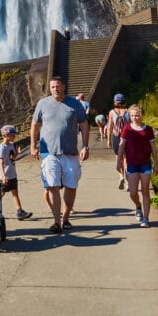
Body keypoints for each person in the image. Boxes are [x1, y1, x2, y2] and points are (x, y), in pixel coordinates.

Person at [31, 76, 90, 233]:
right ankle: (56, 221)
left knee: (71, 185)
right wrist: (33, 146)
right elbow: (35, 125)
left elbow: (84, 125)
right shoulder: (43, 104)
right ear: (49, 89)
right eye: (52, 87)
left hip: (70, 151)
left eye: (57, 86)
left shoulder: (75, 104)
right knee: (52, 185)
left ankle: (66, 218)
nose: (55, 89)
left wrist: (85, 146)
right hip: (48, 151)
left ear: (63, 86)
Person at [115, 104, 158, 228]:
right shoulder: (127, 129)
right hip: (132, 165)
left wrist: (156, 163)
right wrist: (118, 161)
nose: (135, 117)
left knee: (145, 191)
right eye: (132, 115)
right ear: (129, 116)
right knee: (133, 192)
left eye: (137, 115)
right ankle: (138, 206)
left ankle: (146, 218)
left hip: (145, 164)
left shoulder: (148, 130)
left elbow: (153, 148)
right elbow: (121, 146)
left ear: (141, 115)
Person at [0, 125, 33, 221]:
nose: (14, 137)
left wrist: (17, 153)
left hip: (12, 174)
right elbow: (1, 163)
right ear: (5, 135)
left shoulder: (12, 145)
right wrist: (3, 176)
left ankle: (19, 211)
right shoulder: (2, 147)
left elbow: (12, 158)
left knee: (15, 193)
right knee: (1, 194)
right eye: (12, 135)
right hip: (5, 175)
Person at [107, 94, 129, 189]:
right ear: (124, 101)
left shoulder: (112, 112)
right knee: (126, 159)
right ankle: (128, 182)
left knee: (118, 158)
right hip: (127, 138)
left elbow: (109, 127)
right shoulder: (128, 111)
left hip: (116, 138)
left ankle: (121, 177)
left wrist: (108, 140)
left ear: (115, 102)